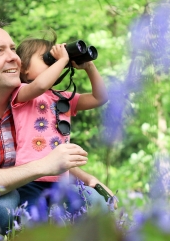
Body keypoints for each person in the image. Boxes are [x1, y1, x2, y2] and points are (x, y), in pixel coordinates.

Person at [0, 19, 114, 236]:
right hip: (1, 194)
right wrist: (42, 166)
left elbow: (51, 153)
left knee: (94, 202)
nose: (13, 57)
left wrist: (86, 178)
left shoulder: (47, 100)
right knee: (6, 208)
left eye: (13, 49)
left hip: (50, 183)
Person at [12, 32, 112, 212]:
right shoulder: (21, 92)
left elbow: (100, 97)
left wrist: (89, 66)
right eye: (46, 58)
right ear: (23, 67)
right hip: (29, 179)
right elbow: (40, 85)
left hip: (61, 180)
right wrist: (61, 59)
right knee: (35, 221)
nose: (54, 62)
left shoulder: (62, 97)